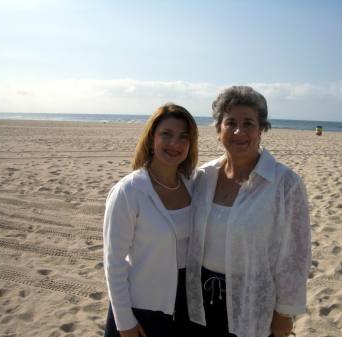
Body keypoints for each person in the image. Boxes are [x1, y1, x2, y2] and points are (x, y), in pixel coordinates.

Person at [186, 86, 311, 337]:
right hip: (198, 298)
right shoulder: (202, 177)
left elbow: (295, 255)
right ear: (218, 129)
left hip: (253, 300)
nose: (239, 132)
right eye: (230, 122)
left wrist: (284, 314)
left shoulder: (285, 183)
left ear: (262, 129)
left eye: (248, 123)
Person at [103, 103, 198, 337]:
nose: (175, 144)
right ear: (151, 138)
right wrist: (124, 322)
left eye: (183, 137)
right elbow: (113, 262)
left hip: (186, 308)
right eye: (166, 134)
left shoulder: (194, 185)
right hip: (141, 310)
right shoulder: (129, 191)